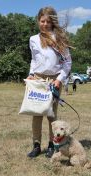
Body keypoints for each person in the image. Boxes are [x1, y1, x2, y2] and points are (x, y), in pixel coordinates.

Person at [26, 6, 72, 158]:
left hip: (54, 81)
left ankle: (53, 144)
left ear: (53, 22)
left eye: (48, 21)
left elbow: (67, 63)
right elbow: (34, 60)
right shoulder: (33, 39)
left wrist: (59, 80)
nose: (45, 24)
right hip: (38, 80)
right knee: (36, 114)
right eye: (42, 21)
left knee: (52, 115)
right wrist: (31, 74)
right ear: (38, 21)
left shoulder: (59, 38)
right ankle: (36, 145)